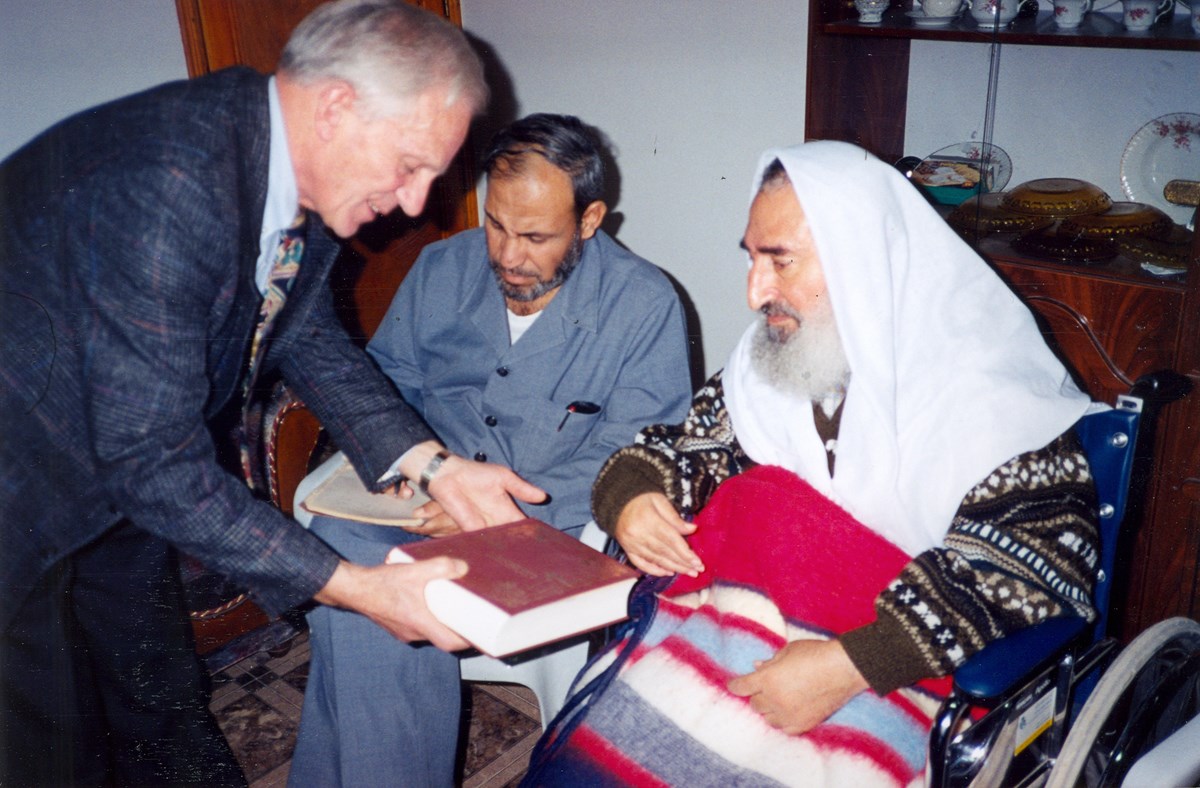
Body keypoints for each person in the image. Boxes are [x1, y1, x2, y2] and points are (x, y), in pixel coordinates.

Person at [0, 2, 549, 785]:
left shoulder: (301, 174)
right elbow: (155, 463)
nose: (418, 202)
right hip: (19, 474)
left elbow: (306, 333)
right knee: (46, 739)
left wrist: (436, 467)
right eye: (410, 164)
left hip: (110, 467)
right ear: (335, 109)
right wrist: (357, 588)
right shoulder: (170, 185)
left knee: (158, 694)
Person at [527, 141, 1101, 786]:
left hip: (896, 676)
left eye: (781, 261)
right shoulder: (773, 360)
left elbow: (1029, 577)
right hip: (736, 632)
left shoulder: (995, 402)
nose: (753, 292)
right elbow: (685, 451)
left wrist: (848, 665)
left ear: (865, 264)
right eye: (751, 258)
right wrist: (633, 498)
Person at [289, 112, 692, 787]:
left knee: (369, 592)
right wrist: (423, 473)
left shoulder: (645, 304)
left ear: (590, 221)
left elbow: (640, 450)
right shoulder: (440, 267)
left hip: (543, 525)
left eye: (535, 236)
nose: (508, 254)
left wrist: (493, 510)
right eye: (497, 225)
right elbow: (391, 381)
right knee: (338, 548)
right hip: (421, 497)